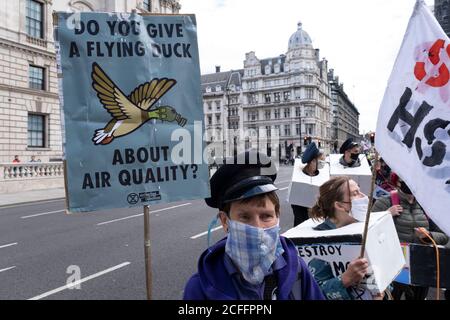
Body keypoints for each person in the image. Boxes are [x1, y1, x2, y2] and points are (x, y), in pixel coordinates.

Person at [183, 151, 325, 300]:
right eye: (245, 217)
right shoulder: (199, 289)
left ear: (277, 217)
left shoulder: (297, 270)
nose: (258, 227)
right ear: (225, 221)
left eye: (266, 216)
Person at [372, 173, 449, 300]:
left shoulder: (427, 206)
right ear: (398, 182)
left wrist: (428, 235)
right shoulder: (385, 202)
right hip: (393, 266)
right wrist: (386, 215)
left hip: (421, 264)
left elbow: (444, 236)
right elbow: (369, 231)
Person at [307, 176, 384, 300]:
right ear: (340, 205)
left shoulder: (363, 227)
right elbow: (312, 292)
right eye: (355, 193)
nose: (364, 196)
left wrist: (379, 290)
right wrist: (344, 279)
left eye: (359, 190)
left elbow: (376, 272)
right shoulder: (319, 240)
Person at [291, 142, 322, 227]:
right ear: (312, 162)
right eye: (318, 161)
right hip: (303, 225)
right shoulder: (298, 181)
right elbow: (297, 210)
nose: (320, 163)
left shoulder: (321, 176)